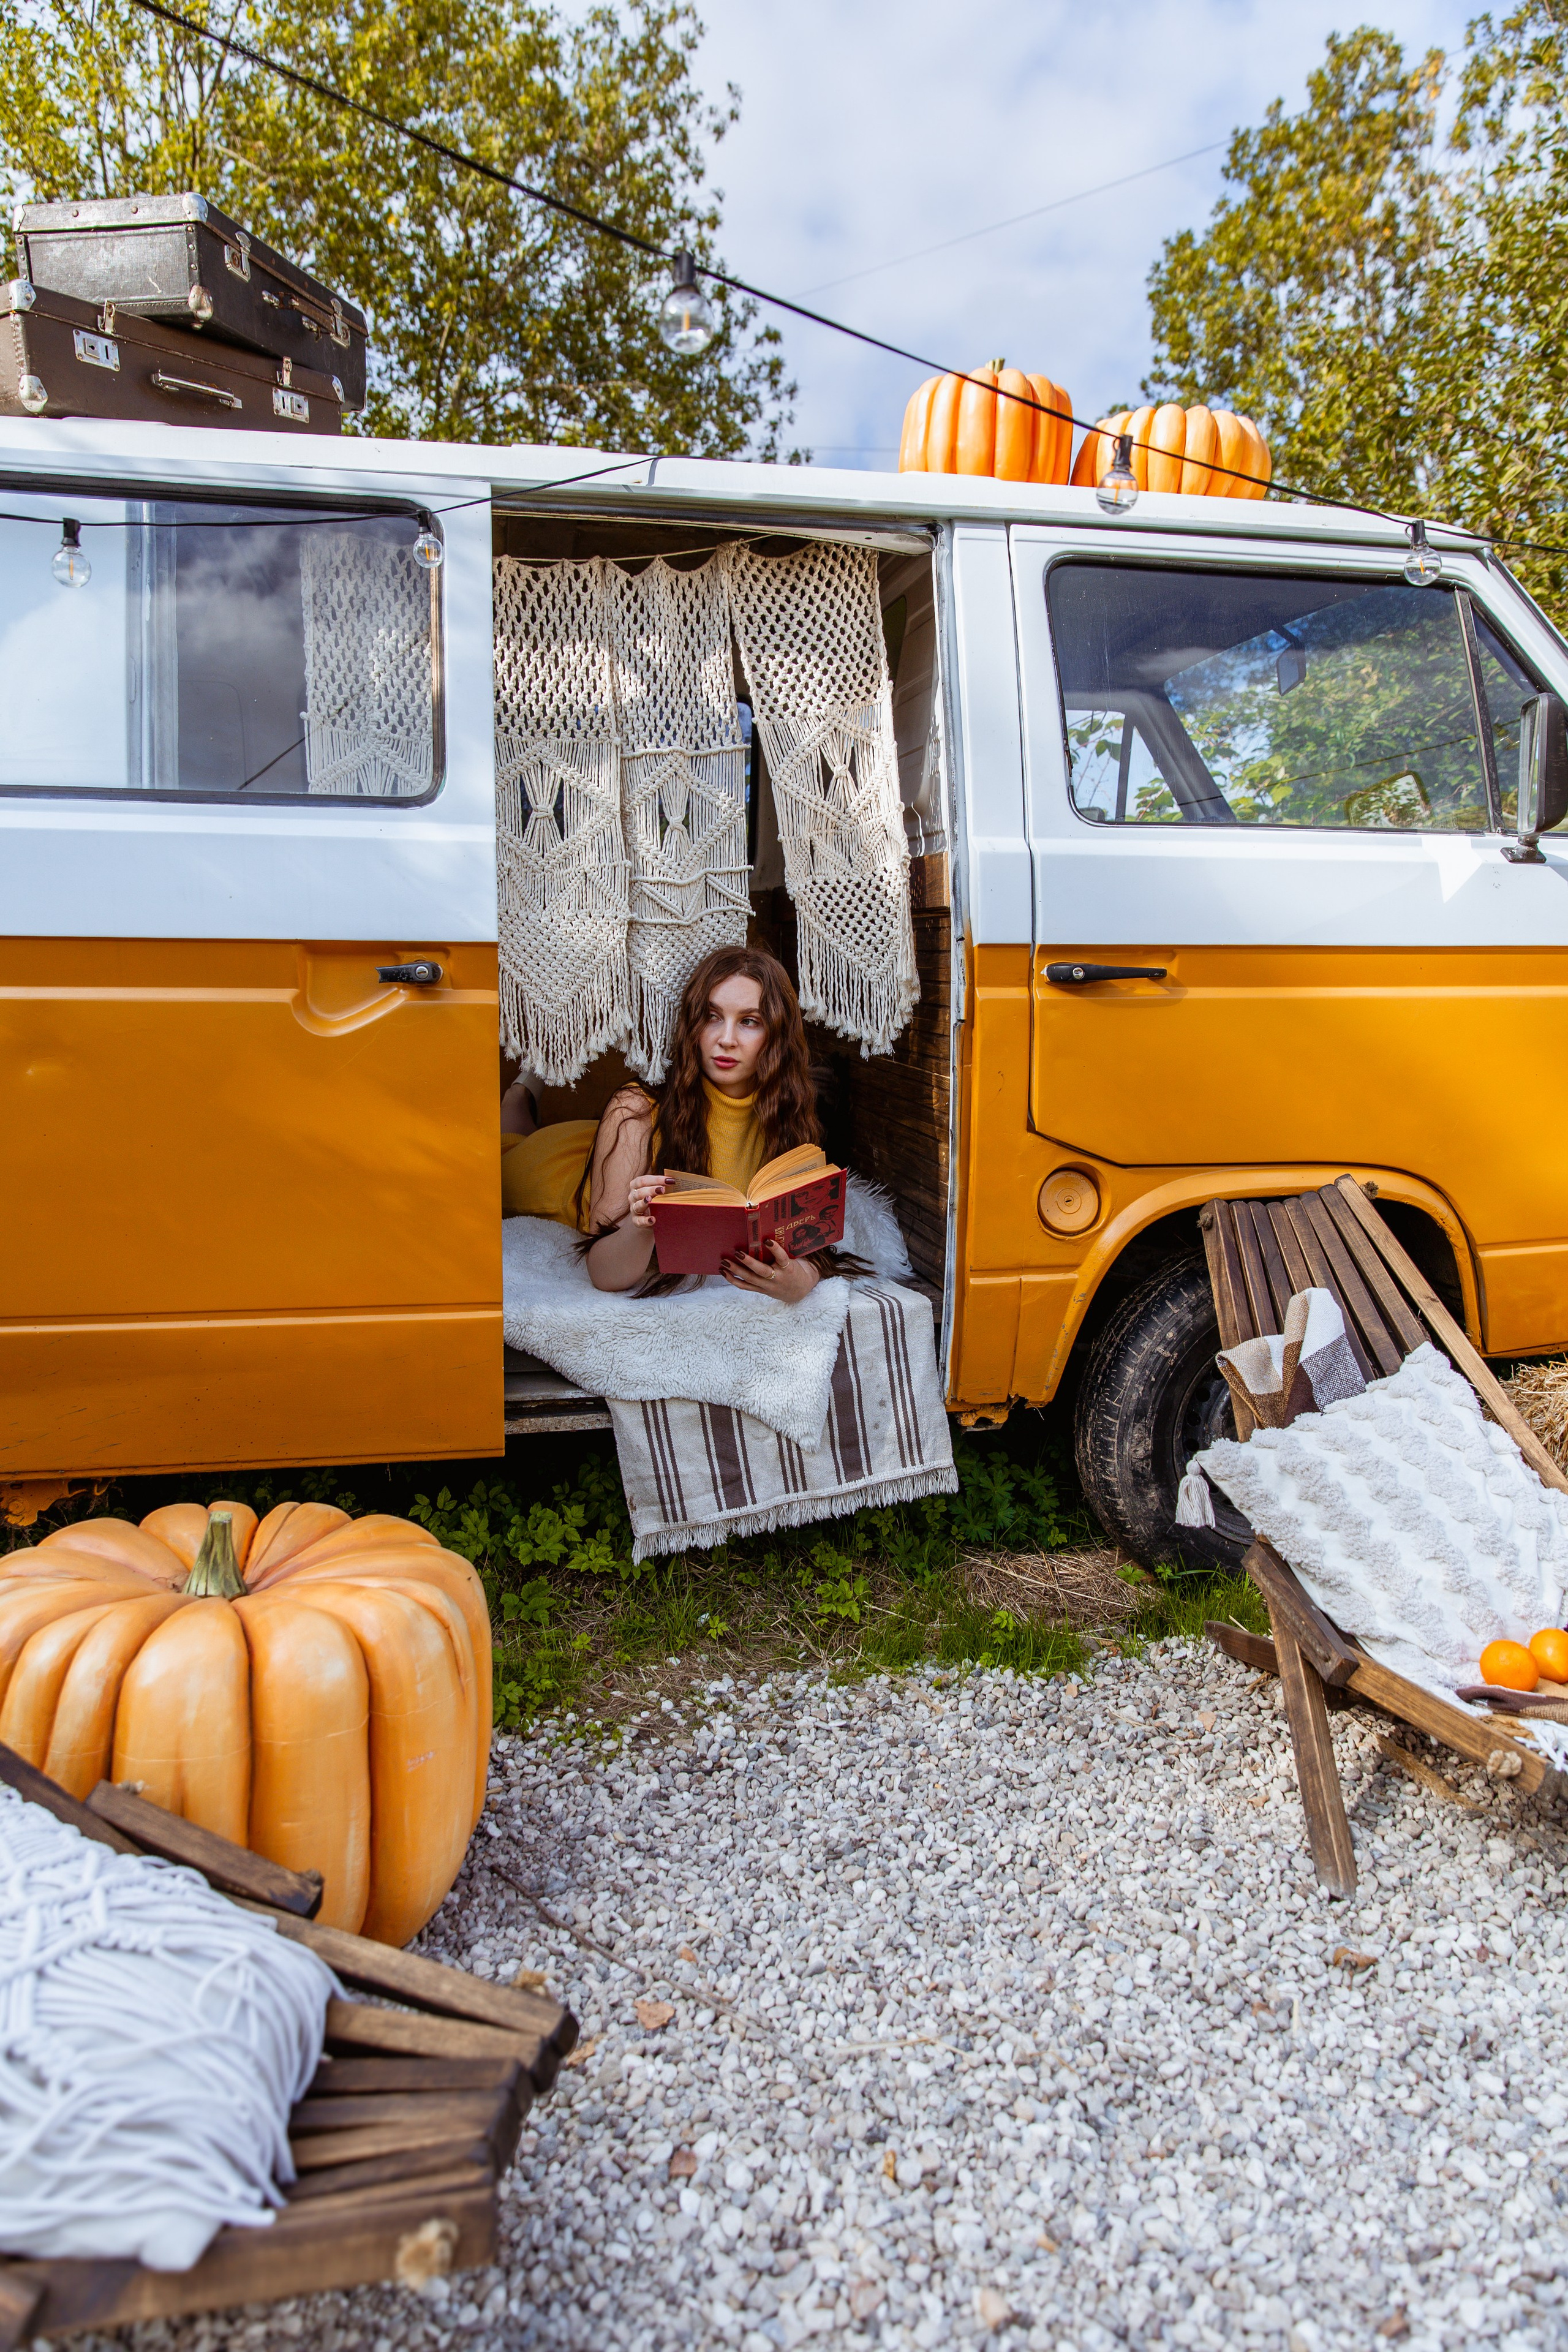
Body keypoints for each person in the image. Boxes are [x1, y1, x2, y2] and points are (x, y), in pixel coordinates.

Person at [500, 944, 827, 1300]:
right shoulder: (635, 1109)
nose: (726, 1040)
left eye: (749, 1021)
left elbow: (811, 1243)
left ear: (777, 1034)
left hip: (610, 1144)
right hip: (553, 1168)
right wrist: (643, 1226)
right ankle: (521, 1091)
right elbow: (604, 1273)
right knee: (508, 1143)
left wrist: (802, 1281)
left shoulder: (789, 1110)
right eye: (712, 1016)